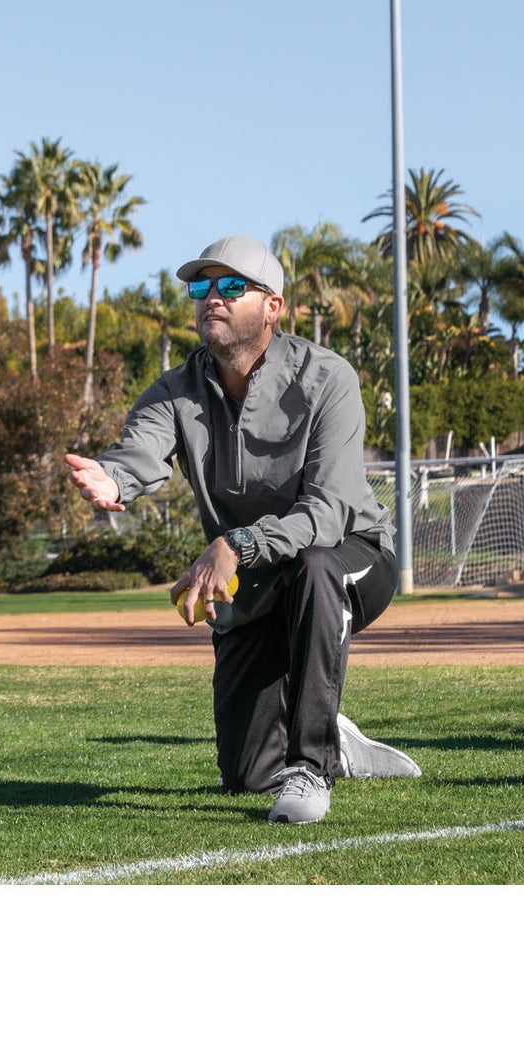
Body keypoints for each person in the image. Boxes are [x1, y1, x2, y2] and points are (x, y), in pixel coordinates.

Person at [64, 233, 422, 825]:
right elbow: (140, 452)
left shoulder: (328, 378)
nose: (212, 297)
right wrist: (113, 478)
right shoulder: (172, 392)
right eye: (201, 286)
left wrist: (237, 543)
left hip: (350, 554)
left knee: (315, 567)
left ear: (273, 306)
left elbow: (328, 512)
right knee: (246, 774)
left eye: (231, 285)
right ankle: (332, 731)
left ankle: (313, 762)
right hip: (254, 578)